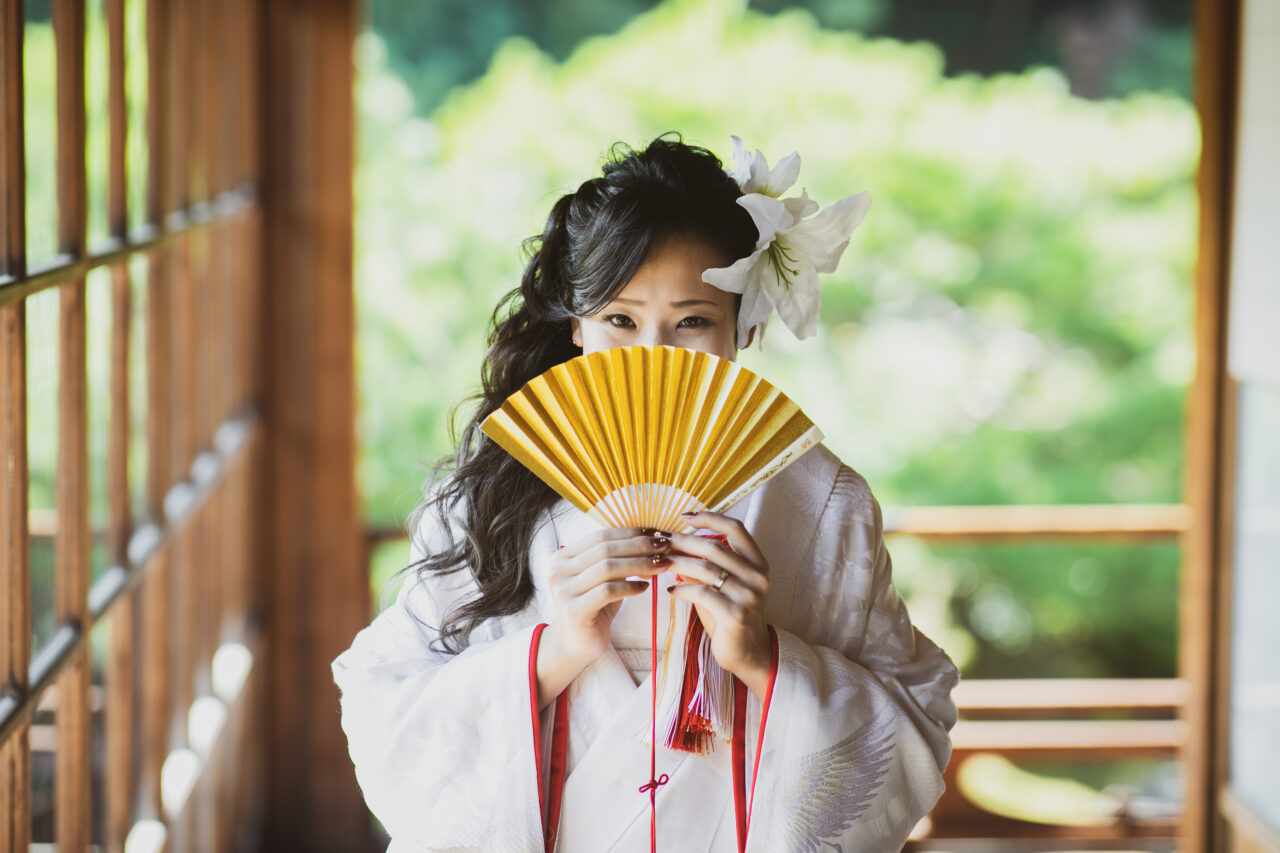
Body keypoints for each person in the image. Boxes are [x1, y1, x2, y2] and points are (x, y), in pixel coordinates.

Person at [332, 135, 958, 852]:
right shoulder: (488, 494)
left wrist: (763, 657)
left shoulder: (821, 503)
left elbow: (913, 713)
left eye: (692, 320)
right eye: (619, 321)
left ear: (742, 325)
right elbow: (386, 704)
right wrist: (550, 655)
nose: (652, 354)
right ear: (577, 323)